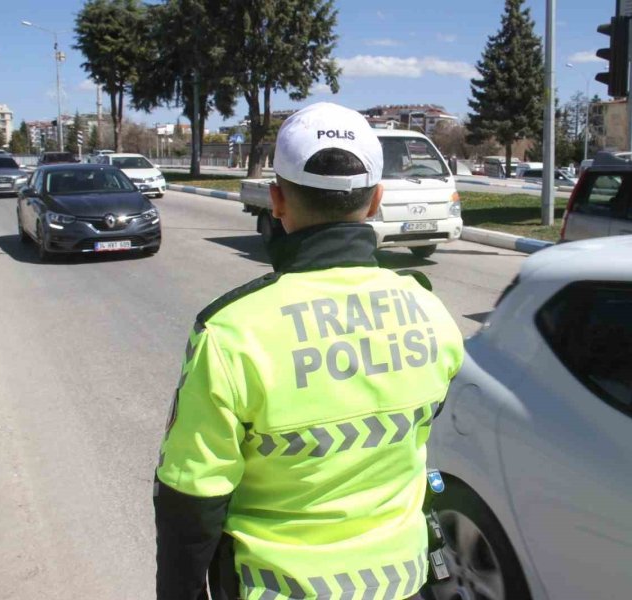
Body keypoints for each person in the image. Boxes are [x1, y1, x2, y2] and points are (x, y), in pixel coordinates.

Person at [154, 102, 465, 600]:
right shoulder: (429, 312)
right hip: (402, 583)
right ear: (376, 199)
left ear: (276, 200)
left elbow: (191, 499)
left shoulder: (232, 332)